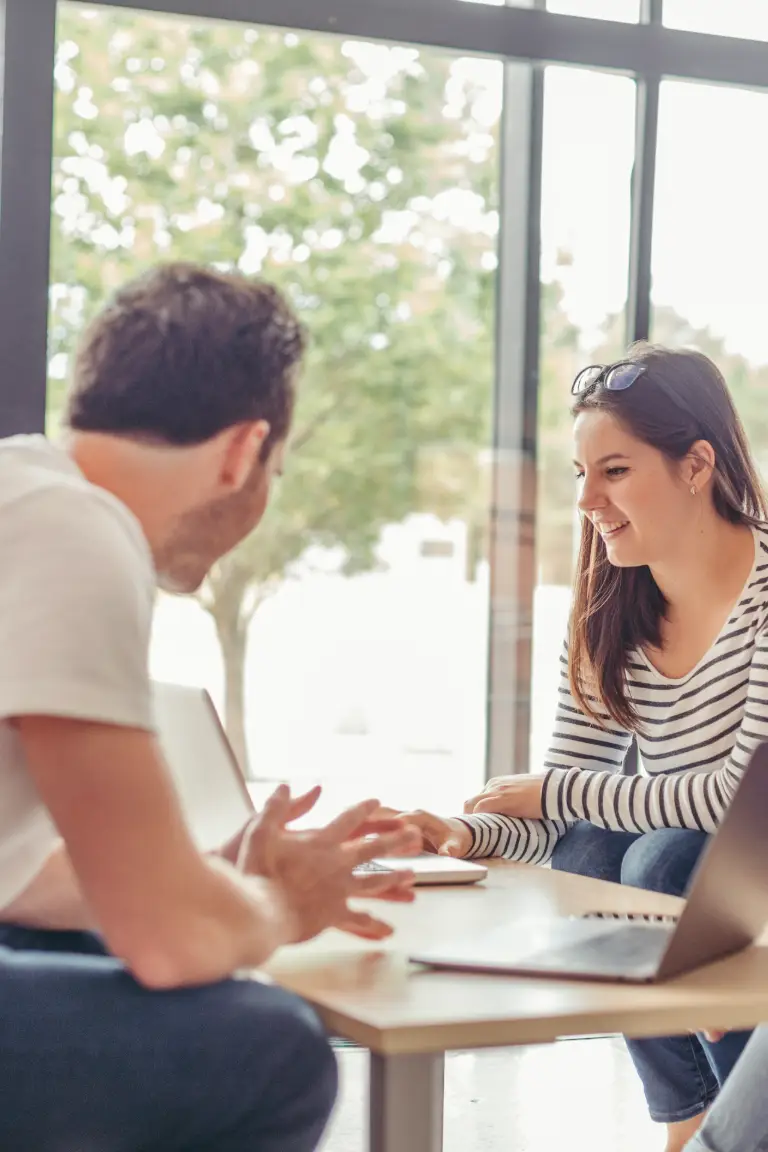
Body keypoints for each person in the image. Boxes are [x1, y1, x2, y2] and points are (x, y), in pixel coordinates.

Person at [0, 262, 423, 1152]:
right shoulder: (77, 532)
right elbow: (171, 943)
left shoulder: (25, 490)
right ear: (243, 452)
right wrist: (282, 904)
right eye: (277, 469)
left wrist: (212, 877)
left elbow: (20, 880)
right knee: (271, 1050)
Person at [388, 345, 768, 1152]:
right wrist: (464, 836)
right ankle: (689, 1119)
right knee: (595, 849)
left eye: (616, 472)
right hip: (692, 872)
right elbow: (567, 810)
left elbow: (739, 798)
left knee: (658, 857)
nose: (589, 500)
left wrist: (549, 793)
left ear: (697, 465)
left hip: (751, 856)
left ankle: (741, 1125)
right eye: (581, 474)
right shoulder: (609, 610)